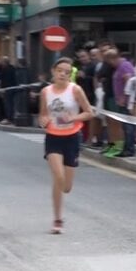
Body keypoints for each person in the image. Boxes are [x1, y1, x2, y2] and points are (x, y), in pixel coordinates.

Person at [38, 58, 94, 235]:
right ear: (53, 72)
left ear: (70, 75)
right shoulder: (45, 92)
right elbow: (43, 116)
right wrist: (43, 122)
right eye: (60, 70)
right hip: (53, 137)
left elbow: (89, 112)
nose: (63, 74)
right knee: (58, 176)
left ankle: (61, 195)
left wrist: (73, 118)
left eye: (67, 72)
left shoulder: (75, 90)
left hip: (72, 137)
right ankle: (57, 219)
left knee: (66, 187)